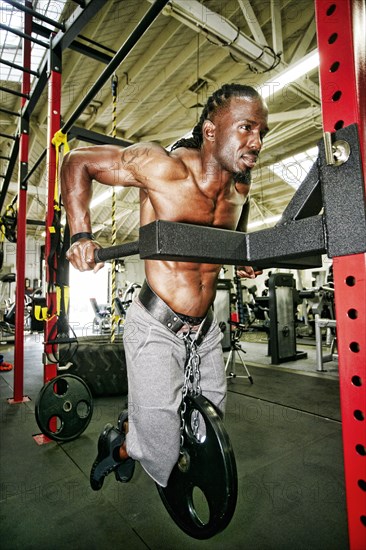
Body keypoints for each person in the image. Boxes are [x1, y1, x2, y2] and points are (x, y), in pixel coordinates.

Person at [61, 83, 269, 490]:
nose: (257, 142)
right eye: (246, 128)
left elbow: (232, 236)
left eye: (262, 132)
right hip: (156, 324)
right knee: (160, 449)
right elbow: (77, 162)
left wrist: (243, 257)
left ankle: (137, 424)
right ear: (211, 131)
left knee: (208, 423)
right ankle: (117, 446)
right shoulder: (161, 167)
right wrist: (80, 235)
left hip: (205, 330)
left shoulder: (240, 185)